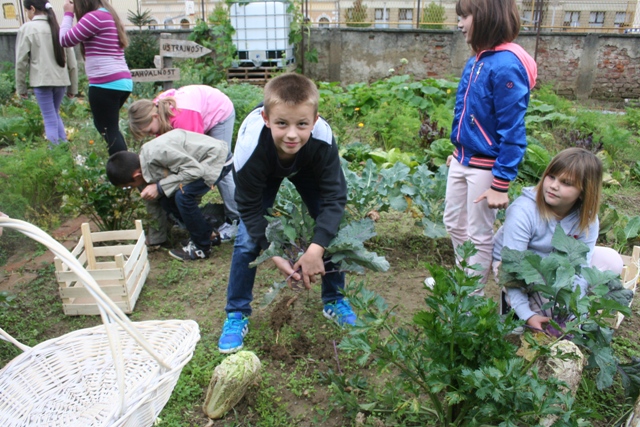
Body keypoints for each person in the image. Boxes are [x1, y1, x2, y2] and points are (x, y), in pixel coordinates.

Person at [217, 73, 355, 354]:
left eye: (302, 124)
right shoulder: (249, 149)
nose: (292, 134)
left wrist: (316, 249)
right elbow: (249, 209)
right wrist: (274, 254)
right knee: (246, 242)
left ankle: (334, 299)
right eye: (282, 123)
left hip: (307, 163)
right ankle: (237, 312)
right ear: (266, 119)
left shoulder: (322, 139)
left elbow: (334, 198)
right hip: (264, 167)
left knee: (329, 225)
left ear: (314, 121)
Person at [443, 0, 538, 285]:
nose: (459, 23)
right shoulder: (477, 60)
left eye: (465, 16)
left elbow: (513, 129)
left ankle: (471, 296)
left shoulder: (507, 65)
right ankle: (464, 279)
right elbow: (471, 114)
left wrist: (500, 183)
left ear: (487, 16)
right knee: (453, 223)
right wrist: (460, 151)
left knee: (478, 233)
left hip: (486, 167)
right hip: (464, 159)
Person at [493, 148, 624, 332]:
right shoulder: (523, 211)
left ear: (583, 191)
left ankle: (555, 309)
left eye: (566, 183)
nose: (554, 186)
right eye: (551, 177)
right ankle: (514, 308)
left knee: (611, 260)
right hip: (519, 267)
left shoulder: (587, 219)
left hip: (557, 269)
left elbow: (581, 268)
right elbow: (512, 268)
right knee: (526, 325)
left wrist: (574, 312)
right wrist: (526, 314)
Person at [128, 85, 239, 242]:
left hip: (218, 111)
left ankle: (235, 220)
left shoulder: (183, 119)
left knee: (219, 165)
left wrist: (187, 196)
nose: (151, 135)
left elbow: (196, 160)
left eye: (149, 131)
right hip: (198, 111)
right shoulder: (154, 112)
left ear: (154, 116)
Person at [105, 129, 230, 261]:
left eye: (128, 186)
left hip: (216, 159)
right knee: (166, 199)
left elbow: (195, 171)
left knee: (182, 196)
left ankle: (201, 248)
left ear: (136, 176)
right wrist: (155, 239)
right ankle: (208, 235)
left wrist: (159, 187)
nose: (131, 189)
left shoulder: (158, 153)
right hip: (196, 166)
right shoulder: (142, 171)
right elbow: (153, 203)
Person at [59, 0, 131, 155]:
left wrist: (68, 13)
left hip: (105, 82)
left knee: (108, 129)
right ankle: (124, 163)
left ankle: (124, 167)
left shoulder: (94, 17)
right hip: (121, 80)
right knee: (108, 128)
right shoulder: (109, 15)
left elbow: (65, 40)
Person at [15, 0, 78, 146]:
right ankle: (63, 149)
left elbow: (21, 62)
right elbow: (72, 62)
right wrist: (73, 88)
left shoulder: (27, 28)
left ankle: (54, 152)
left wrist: (21, 88)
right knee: (54, 114)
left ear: (32, 9)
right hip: (61, 81)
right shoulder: (58, 28)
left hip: (41, 80)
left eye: (27, 11)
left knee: (49, 117)